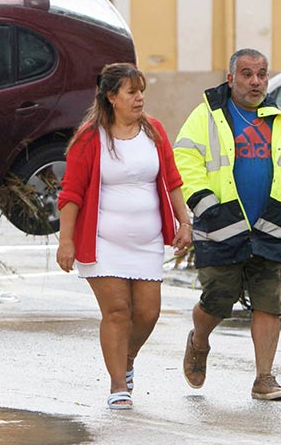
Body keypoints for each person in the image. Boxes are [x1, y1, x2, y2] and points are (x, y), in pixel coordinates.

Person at [174, 49, 281, 400]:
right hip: (221, 226)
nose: (256, 81)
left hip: (271, 226)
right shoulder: (206, 116)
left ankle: (264, 378)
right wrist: (207, 206)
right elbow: (186, 159)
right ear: (231, 78)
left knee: (269, 301)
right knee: (218, 300)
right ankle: (199, 340)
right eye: (247, 74)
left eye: (262, 74)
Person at [56, 63, 192, 410]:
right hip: (104, 242)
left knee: (148, 312)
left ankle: (126, 357)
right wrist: (66, 241)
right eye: (132, 92)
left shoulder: (155, 132)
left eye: (141, 91)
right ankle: (119, 384)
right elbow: (70, 193)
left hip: (146, 243)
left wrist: (184, 222)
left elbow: (172, 181)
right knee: (118, 311)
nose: (140, 98)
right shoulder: (89, 138)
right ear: (112, 97)